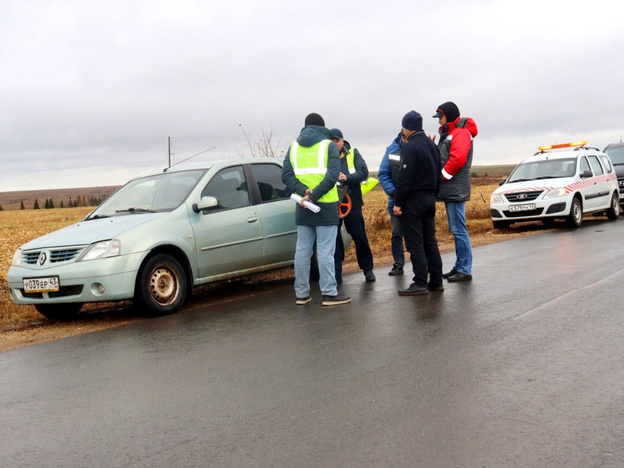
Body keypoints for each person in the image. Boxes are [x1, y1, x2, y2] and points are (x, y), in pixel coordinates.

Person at [281, 113, 351, 306]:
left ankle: (302, 294)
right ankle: (329, 293)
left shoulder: (293, 147)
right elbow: (332, 175)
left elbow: (286, 174)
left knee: (303, 251)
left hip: (303, 205)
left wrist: (303, 192)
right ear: (323, 127)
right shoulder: (328, 145)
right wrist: (314, 195)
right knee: (326, 252)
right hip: (326, 205)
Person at [393, 111, 444, 296]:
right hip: (430, 198)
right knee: (430, 241)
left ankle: (420, 282)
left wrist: (398, 203)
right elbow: (439, 175)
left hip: (414, 201)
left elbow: (405, 178)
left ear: (407, 127)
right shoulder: (432, 146)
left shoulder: (410, 147)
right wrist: (433, 194)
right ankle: (436, 281)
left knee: (415, 243)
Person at [431, 102, 478, 282]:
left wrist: (441, 176)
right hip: (451, 189)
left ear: (448, 116)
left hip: (455, 188)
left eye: (440, 117)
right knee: (456, 229)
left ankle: (465, 269)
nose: (439, 122)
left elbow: (457, 159)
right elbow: (444, 156)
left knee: (459, 230)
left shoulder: (460, 133)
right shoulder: (450, 133)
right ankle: (460, 266)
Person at [330, 128, 376, 283]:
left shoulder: (353, 154)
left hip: (352, 203)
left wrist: (347, 177)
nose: (334, 144)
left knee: (359, 236)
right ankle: (336, 275)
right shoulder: (324, 158)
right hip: (332, 205)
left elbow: (363, 172)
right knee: (334, 240)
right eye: (332, 141)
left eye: (337, 140)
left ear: (343, 141)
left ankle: (367, 269)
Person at [378, 131, 406, 276]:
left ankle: (423, 262)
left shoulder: (418, 147)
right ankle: (398, 264)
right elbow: (383, 174)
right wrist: (394, 193)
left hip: (414, 201)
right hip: (395, 200)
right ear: (402, 137)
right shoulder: (391, 150)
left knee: (417, 234)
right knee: (396, 233)